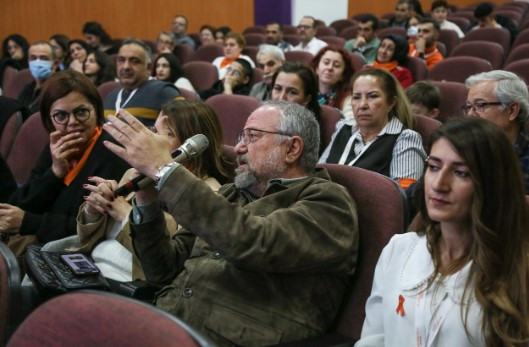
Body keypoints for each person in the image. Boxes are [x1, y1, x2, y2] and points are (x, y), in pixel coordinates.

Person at [102, 100, 359, 346]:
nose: (238, 148)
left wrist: (165, 169)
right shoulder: (232, 194)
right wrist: (146, 201)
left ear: (292, 148)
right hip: (167, 325)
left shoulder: (329, 202)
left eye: (252, 136)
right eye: (240, 138)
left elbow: (252, 242)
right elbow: (163, 270)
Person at [357, 117, 529, 347]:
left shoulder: (517, 268)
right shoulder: (399, 250)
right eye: (434, 167)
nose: (439, 184)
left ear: (490, 184)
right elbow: (373, 339)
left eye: (460, 173)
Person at [42, 99, 230, 281]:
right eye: (154, 130)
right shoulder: (135, 172)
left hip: (129, 285)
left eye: (169, 133)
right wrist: (95, 208)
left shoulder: (209, 193)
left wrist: (127, 214)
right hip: (91, 267)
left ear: (192, 147)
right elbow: (88, 239)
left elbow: (171, 263)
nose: (153, 139)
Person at [2, 70, 129, 257]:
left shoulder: (110, 153)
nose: (72, 123)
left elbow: (90, 228)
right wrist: (54, 173)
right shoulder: (56, 146)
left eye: (81, 112)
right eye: (61, 116)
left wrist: (29, 222)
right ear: (49, 120)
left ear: (95, 111)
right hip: (41, 244)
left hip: (76, 253)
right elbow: (21, 204)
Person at [319, 68, 426, 189]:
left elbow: (403, 199)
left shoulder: (405, 139)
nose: (362, 105)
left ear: (391, 102)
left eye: (372, 96)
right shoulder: (343, 127)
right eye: (356, 97)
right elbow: (318, 173)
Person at [465, 70, 529, 192]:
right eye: (468, 107)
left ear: (512, 111)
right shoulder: (465, 147)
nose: (470, 114)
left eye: (480, 105)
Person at [103, 38, 180, 126]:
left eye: (135, 61)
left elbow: (187, 130)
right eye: (121, 60)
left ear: (149, 68)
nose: (126, 66)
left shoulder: (165, 92)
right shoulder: (110, 96)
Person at [17, 41, 58, 115]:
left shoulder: (59, 90)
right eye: (33, 58)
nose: (38, 62)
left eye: (44, 58)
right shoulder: (28, 88)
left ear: (55, 64)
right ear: (28, 62)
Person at [310, 46, 353, 111]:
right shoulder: (305, 92)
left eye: (336, 65)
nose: (330, 68)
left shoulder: (347, 99)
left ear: (343, 75)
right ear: (317, 68)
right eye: (326, 63)